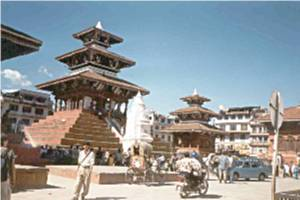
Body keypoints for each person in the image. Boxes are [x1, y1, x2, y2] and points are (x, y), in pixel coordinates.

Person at [1, 135, 16, 200]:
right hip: (4, 178)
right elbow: (12, 168)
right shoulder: (9, 152)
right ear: (4, 141)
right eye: (6, 141)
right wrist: (13, 180)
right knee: (5, 197)